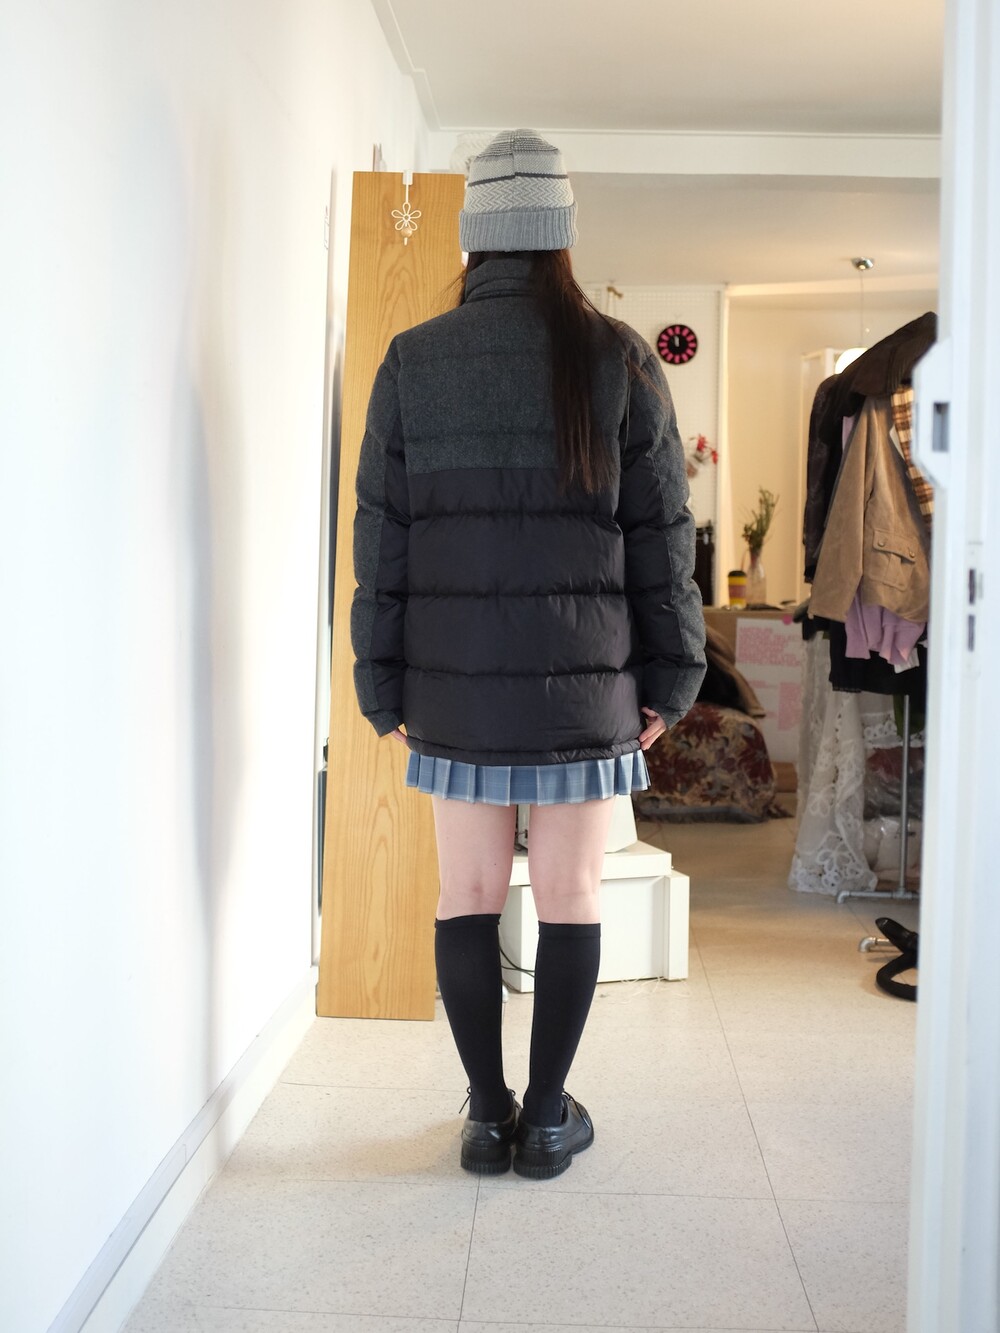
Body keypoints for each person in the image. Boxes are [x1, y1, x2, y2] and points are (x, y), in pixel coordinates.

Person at [351, 128, 705, 1179]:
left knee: (465, 892)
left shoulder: (414, 360)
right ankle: (547, 1118)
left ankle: (484, 1113)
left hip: (453, 688)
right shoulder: (620, 357)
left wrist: (381, 682)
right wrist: (674, 676)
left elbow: (381, 540)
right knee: (571, 896)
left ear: (474, 237)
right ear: (560, 236)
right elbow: (663, 539)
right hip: (583, 687)